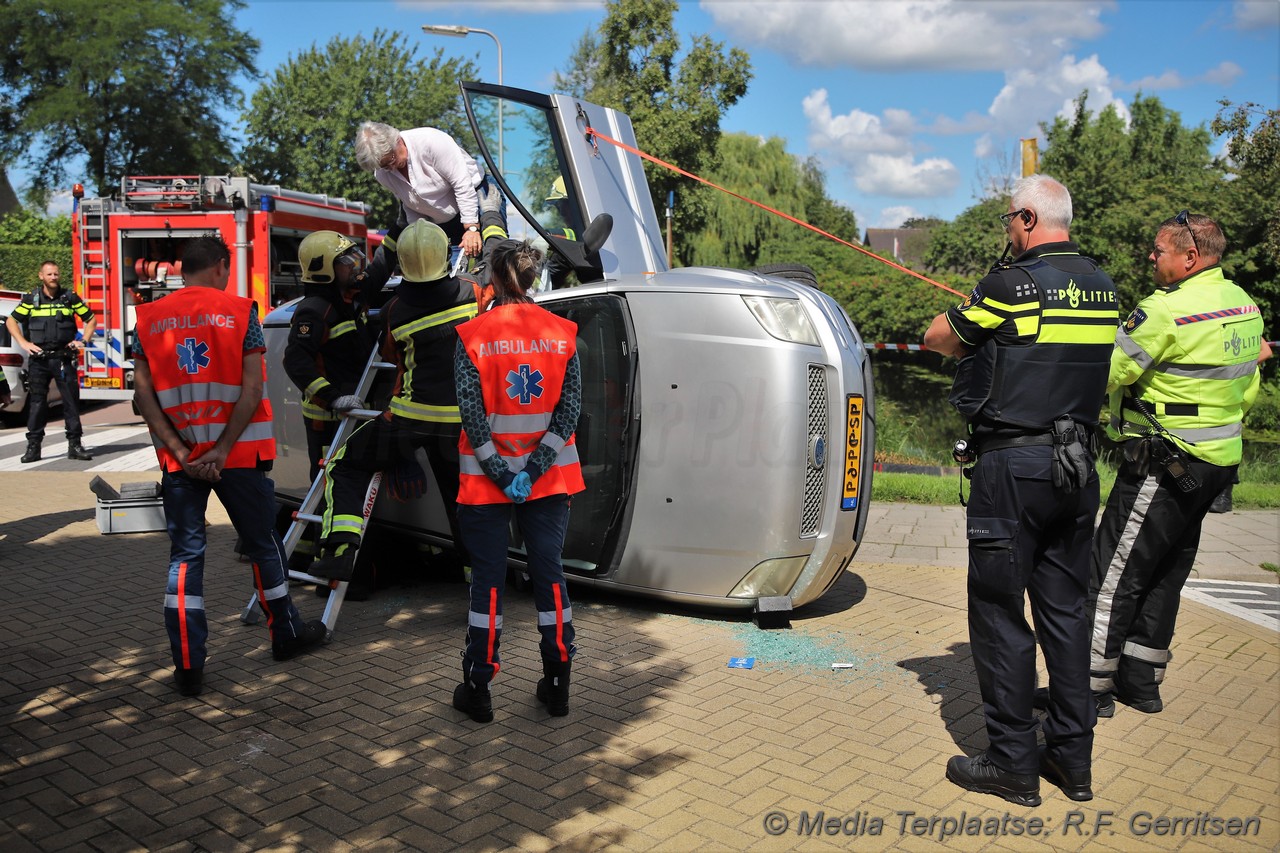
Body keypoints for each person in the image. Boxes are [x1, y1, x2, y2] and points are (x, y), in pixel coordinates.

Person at [923, 174, 1117, 806]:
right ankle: (1071, 757)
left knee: (1001, 614)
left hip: (1016, 469)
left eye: (1011, 217)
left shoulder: (1010, 285)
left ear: (1030, 219)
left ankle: (1011, 761)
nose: (1008, 228)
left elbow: (940, 340)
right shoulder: (1105, 286)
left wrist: (966, 311)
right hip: (1079, 469)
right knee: (1067, 613)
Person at [131, 235, 326, 697]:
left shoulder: (148, 319)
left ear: (183, 269)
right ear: (221, 266)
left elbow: (143, 397)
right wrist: (220, 450)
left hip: (182, 462)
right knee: (263, 546)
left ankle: (187, 666)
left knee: (185, 557)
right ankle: (285, 634)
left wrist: (183, 454)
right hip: (237, 456)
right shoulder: (241, 314)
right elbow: (253, 390)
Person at [1087, 212, 1262, 717]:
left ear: (1190, 257)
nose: (1151, 257)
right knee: (1166, 571)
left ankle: (1089, 688)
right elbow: (1246, 388)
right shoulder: (1245, 307)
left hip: (1164, 464)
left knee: (1113, 573)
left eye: (1159, 250)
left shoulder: (1166, 310)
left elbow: (1110, 370)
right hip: (1216, 463)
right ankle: (1140, 682)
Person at [450, 239, 585, 724]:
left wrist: (501, 472)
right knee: (550, 577)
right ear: (532, 278)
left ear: (489, 275)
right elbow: (569, 411)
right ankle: (558, 682)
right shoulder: (563, 332)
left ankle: (478, 687)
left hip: (487, 484)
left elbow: (472, 417)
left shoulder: (472, 335)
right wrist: (531, 470)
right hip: (546, 482)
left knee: (487, 582)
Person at [310, 220, 480, 584]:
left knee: (344, 464)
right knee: (460, 500)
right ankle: (476, 579)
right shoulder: (474, 292)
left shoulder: (394, 310)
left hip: (409, 419)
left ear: (402, 261)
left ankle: (340, 550)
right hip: (463, 422)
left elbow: (392, 356)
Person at [283, 229, 396, 583]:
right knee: (330, 487)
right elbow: (295, 362)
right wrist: (332, 397)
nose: (356, 267)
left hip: (351, 412)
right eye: (347, 263)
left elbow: (380, 267)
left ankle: (319, 558)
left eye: (354, 259)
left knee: (338, 487)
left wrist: (402, 221)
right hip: (327, 418)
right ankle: (325, 568)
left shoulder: (350, 296)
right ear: (324, 270)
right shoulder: (314, 311)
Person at [354, 121, 506, 260]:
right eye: (385, 166)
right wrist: (420, 238)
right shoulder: (383, 175)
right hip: (444, 218)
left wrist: (472, 228)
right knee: (452, 273)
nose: (391, 168)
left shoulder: (430, 141)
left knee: (494, 255)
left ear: (397, 140)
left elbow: (462, 184)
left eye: (391, 160)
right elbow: (412, 205)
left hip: (476, 194)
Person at [5, 261, 96, 462]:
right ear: (41, 276)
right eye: (49, 274)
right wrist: (23, 342)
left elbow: (91, 319)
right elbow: (12, 321)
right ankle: (33, 448)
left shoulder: (69, 298)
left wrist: (83, 341)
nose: (53, 277)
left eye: (56, 273)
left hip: (64, 358)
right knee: (37, 404)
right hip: (40, 360)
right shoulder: (32, 299)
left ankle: (75, 445)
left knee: (71, 403)